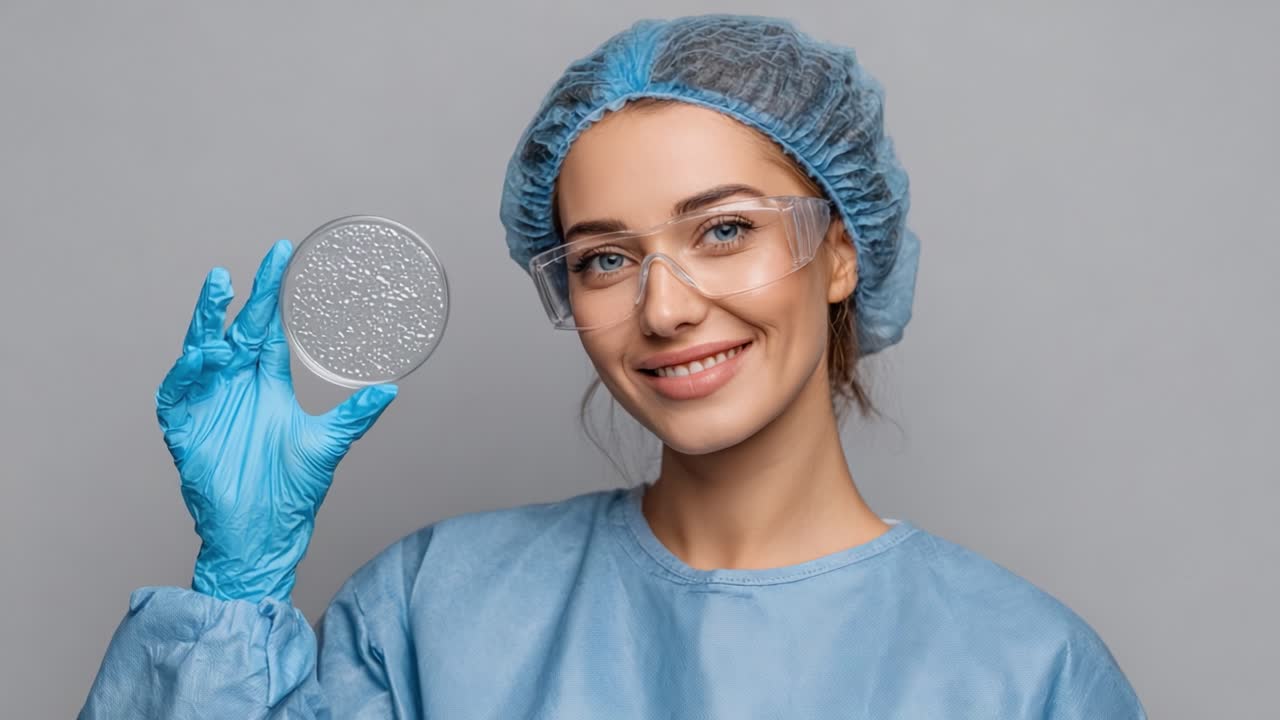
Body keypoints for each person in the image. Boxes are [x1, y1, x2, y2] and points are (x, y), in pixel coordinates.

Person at [80, 14, 1146, 719]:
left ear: (838, 250)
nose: (667, 307)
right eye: (603, 257)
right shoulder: (429, 614)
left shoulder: (1026, 673)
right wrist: (233, 597)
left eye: (723, 230)